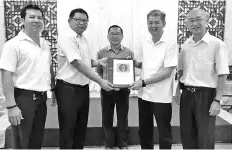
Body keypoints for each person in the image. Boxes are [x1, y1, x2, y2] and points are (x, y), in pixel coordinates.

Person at [0, 4, 56, 149]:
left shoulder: (45, 44)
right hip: (23, 99)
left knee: (36, 141)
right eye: (32, 17)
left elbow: (48, 68)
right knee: (22, 143)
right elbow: (6, 75)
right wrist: (11, 106)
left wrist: (53, 89)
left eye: (40, 17)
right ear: (22, 20)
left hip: (41, 98)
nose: (36, 20)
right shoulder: (13, 45)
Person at [55, 8, 114, 149]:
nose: (82, 23)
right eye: (78, 20)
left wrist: (97, 62)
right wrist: (100, 81)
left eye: (85, 20)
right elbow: (77, 63)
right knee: (68, 128)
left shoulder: (83, 39)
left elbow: (85, 61)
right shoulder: (67, 38)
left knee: (80, 128)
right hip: (68, 89)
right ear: (70, 21)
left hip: (82, 88)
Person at [175, 8, 229, 149]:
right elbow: (181, 70)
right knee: (187, 134)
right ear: (187, 24)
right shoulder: (186, 44)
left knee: (205, 136)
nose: (195, 23)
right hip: (187, 94)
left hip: (206, 95)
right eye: (191, 20)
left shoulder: (217, 44)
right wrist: (177, 90)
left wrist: (217, 100)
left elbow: (222, 73)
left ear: (207, 20)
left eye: (198, 19)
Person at [130, 9, 178, 149]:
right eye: (150, 22)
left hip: (161, 96)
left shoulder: (170, 43)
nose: (153, 25)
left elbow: (167, 72)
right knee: (144, 130)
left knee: (164, 132)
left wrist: (143, 82)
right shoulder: (145, 41)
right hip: (144, 95)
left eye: (157, 22)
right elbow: (144, 64)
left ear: (164, 23)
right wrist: (130, 63)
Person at [96, 25, 134, 149]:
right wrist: (104, 83)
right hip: (107, 90)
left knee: (123, 118)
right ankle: (109, 144)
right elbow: (99, 72)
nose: (115, 36)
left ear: (122, 36)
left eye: (117, 34)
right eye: (112, 34)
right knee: (107, 118)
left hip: (123, 91)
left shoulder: (129, 52)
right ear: (108, 36)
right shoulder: (101, 52)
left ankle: (122, 144)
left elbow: (131, 71)